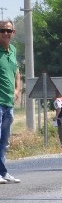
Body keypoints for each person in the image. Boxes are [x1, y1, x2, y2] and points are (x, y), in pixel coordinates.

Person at [0, 19, 21, 184]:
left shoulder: (12, 50)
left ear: (13, 33)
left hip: (9, 103)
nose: (5, 33)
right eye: (2, 31)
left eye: (9, 31)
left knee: (5, 140)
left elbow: (17, 71)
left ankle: (3, 172)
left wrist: (17, 89)